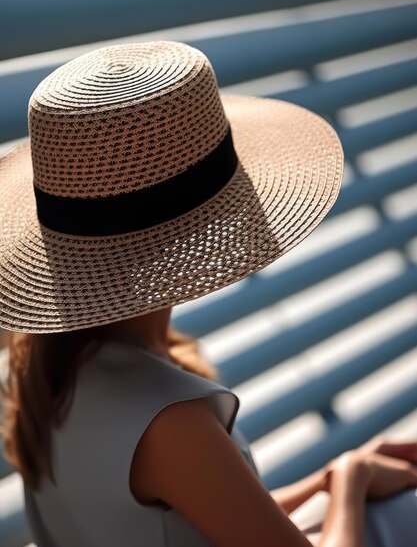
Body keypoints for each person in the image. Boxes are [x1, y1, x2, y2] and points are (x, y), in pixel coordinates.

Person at [0, 41, 416, 547]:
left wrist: (331, 476)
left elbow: (201, 521)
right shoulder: (165, 417)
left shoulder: (50, 375)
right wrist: (353, 479)